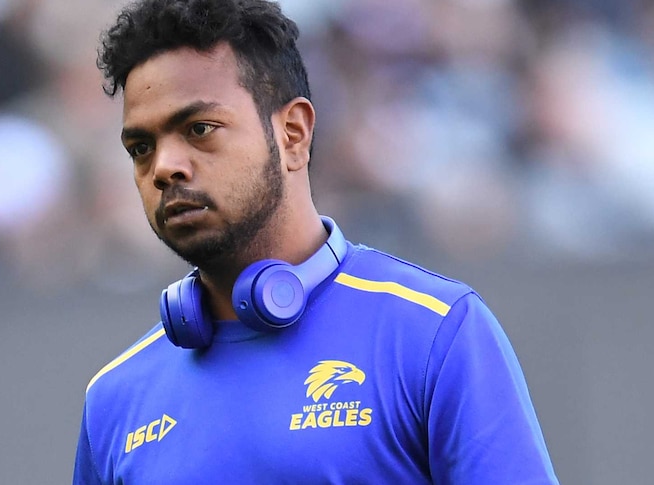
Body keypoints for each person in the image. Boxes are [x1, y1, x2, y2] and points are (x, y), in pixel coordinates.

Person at [74, 0, 559, 483]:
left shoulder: (434, 334)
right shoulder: (113, 399)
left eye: (199, 129)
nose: (163, 167)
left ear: (293, 134)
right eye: (141, 148)